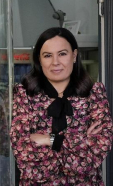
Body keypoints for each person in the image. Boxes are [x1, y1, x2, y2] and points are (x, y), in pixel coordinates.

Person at [10, 27, 113, 185]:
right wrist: (82, 142)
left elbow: (97, 152)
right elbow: (25, 156)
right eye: (48, 55)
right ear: (39, 59)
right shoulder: (24, 94)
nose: (55, 62)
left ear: (74, 55)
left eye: (62, 54)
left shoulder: (94, 92)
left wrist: (50, 140)